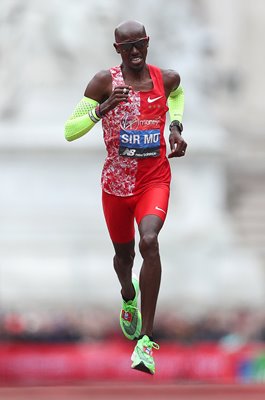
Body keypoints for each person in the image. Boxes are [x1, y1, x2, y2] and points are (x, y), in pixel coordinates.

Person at [64, 20, 187, 375]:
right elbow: (69, 130)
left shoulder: (166, 78)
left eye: (141, 44)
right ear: (117, 50)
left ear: (148, 44)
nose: (135, 52)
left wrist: (175, 126)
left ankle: (145, 342)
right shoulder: (104, 82)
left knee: (150, 241)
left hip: (154, 180)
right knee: (124, 256)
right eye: (128, 46)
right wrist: (103, 108)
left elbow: (177, 95)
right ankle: (127, 297)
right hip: (116, 186)